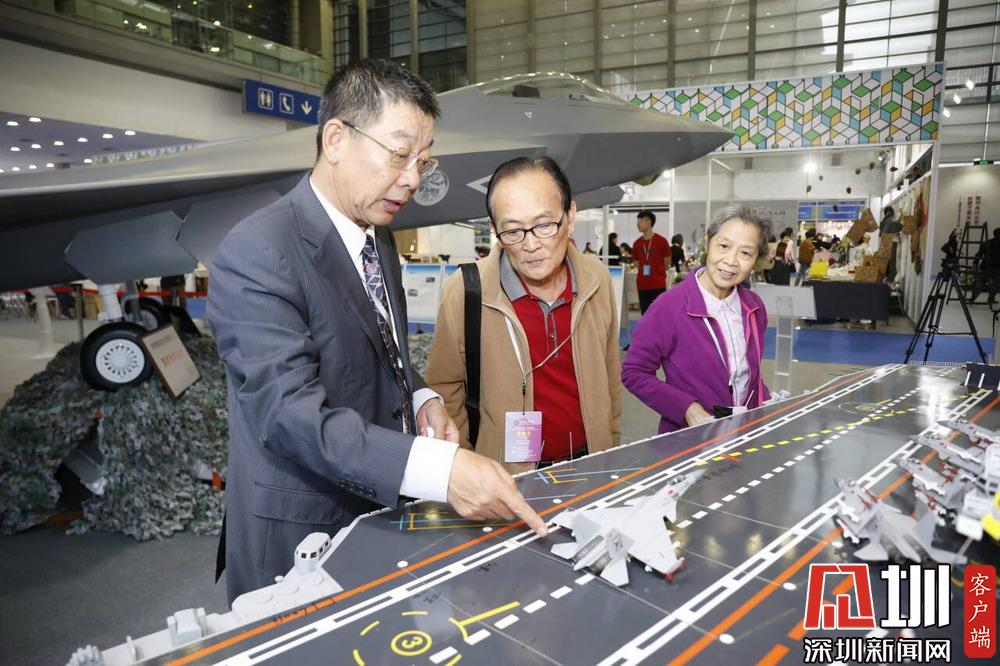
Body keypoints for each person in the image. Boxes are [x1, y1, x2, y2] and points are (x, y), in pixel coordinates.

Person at [207, 59, 546, 603]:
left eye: (423, 161)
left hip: (376, 512)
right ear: (336, 139)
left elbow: (380, 348)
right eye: (398, 154)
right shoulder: (259, 251)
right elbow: (290, 416)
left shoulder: (376, 236)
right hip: (300, 532)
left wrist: (421, 396)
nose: (413, 179)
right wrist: (441, 470)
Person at [426, 156, 622, 471]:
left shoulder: (595, 279)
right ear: (494, 229)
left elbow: (611, 378)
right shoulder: (467, 290)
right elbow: (445, 388)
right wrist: (469, 466)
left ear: (570, 217)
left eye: (544, 226)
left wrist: (609, 450)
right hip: (505, 477)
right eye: (513, 231)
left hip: (591, 466)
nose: (531, 245)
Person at [621, 205, 771, 433]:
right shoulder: (669, 307)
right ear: (708, 243)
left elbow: (749, 375)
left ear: (756, 260)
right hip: (689, 439)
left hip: (743, 436)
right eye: (724, 246)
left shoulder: (754, 308)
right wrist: (687, 408)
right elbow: (634, 372)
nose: (731, 261)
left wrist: (767, 404)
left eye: (745, 253)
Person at [633, 210, 671, 313]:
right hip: (642, 285)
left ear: (649, 221)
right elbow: (636, 262)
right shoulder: (637, 243)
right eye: (638, 220)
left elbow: (667, 261)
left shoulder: (662, 241)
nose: (638, 223)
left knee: (659, 313)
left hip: (658, 284)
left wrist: (658, 270)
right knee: (645, 314)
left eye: (640, 220)